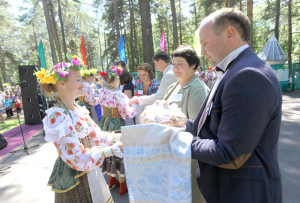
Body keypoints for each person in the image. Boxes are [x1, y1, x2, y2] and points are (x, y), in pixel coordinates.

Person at [186, 8, 282, 203]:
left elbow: (228, 152)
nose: (202, 52)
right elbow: (210, 126)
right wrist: (175, 126)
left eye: (204, 43)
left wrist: (177, 141)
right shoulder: (237, 69)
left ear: (230, 33)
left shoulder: (248, 75)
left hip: (244, 194)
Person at [35, 56, 123, 202]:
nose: (83, 83)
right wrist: (111, 150)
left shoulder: (78, 109)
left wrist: (125, 136)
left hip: (90, 172)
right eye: (77, 80)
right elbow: (76, 156)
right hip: (75, 180)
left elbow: (98, 137)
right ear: (61, 83)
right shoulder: (57, 116)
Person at [163, 46, 208, 203]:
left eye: (180, 64)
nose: (175, 68)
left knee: (192, 197)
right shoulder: (174, 86)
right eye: (173, 64)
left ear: (193, 65)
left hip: (188, 157)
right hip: (172, 153)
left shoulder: (197, 88)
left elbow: (198, 128)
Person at [98, 67, 137, 196]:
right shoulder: (119, 95)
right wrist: (134, 108)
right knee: (119, 153)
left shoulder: (102, 91)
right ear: (117, 79)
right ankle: (122, 184)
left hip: (104, 123)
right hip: (116, 125)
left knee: (108, 152)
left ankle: (111, 179)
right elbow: (126, 114)